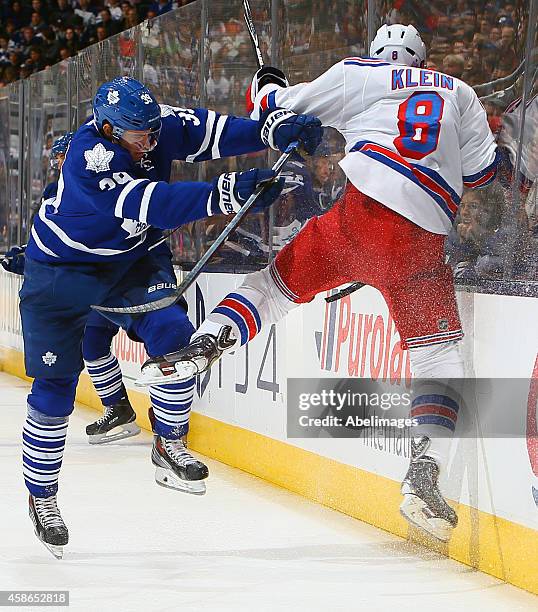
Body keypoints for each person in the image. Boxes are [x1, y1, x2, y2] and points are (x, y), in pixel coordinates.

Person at [138, 25, 499, 543]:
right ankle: (425, 472)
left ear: (379, 53)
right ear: (424, 57)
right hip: (419, 241)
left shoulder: (359, 73)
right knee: (439, 359)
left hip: (358, 219)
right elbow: (485, 174)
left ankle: (206, 343)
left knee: (273, 287)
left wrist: (267, 83)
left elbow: (274, 109)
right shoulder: (458, 90)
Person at [19, 75, 323, 558]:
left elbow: (213, 131)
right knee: (54, 389)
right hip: (64, 271)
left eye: (153, 131)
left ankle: (168, 445)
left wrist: (271, 131)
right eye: (140, 135)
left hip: (134, 261)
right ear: (109, 129)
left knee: (177, 344)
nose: (152, 141)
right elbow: (153, 204)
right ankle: (43, 498)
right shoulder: (89, 155)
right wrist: (229, 191)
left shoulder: (153, 124)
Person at [2, 132, 143, 445]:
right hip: (86, 282)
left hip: (106, 278)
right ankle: (119, 407)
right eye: (57, 158)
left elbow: (86, 240)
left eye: (63, 156)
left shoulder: (97, 186)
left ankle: (164, 426)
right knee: (92, 342)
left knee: (108, 340)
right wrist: (27, 256)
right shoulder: (59, 191)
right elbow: (59, 240)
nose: (58, 163)